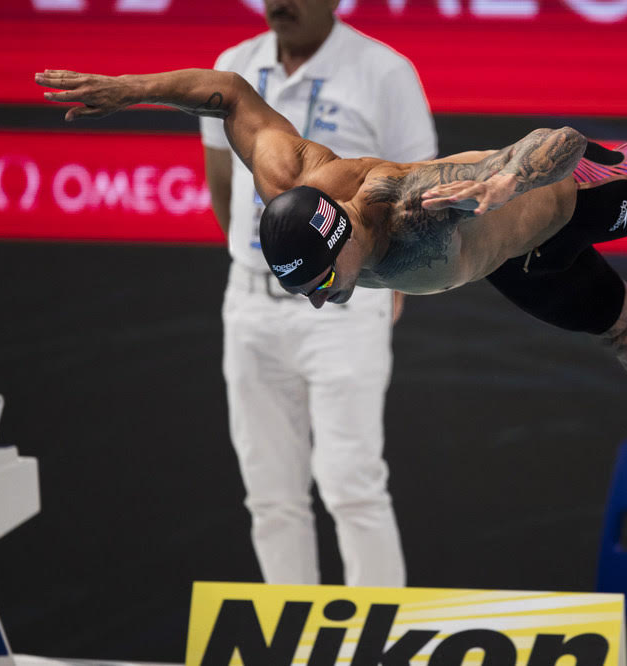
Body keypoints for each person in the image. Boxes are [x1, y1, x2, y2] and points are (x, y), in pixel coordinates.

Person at [36, 32, 627, 549]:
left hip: (566, 196)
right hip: (515, 259)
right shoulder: (289, 176)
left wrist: (507, 175)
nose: (326, 303)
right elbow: (226, 93)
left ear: (352, 236)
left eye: (328, 285)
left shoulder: (417, 204)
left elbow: (564, 139)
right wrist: (127, 90)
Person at [200, 0, 437, 586]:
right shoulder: (233, 65)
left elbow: (420, 189)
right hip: (250, 302)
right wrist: (258, 257)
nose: (280, 4)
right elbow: (223, 182)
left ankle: (376, 644)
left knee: (351, 485)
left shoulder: (384, 72)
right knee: (270, 495)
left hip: (344, 303)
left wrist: (388, 277)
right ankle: (295, 641)